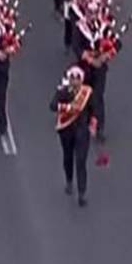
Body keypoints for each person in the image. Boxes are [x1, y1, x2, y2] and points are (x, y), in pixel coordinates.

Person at [50, 65, 95, 207]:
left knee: (81, 161)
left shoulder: (87, 93)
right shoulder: (63, 92)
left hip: (82, 131)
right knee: (68, 156)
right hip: (67, 130)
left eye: (78, 78)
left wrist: (93, 125)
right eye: (72, 78)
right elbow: (52, 105)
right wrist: (68, 108)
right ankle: (69, 180)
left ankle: (82, 192)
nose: (75, 81)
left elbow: (94, 110)